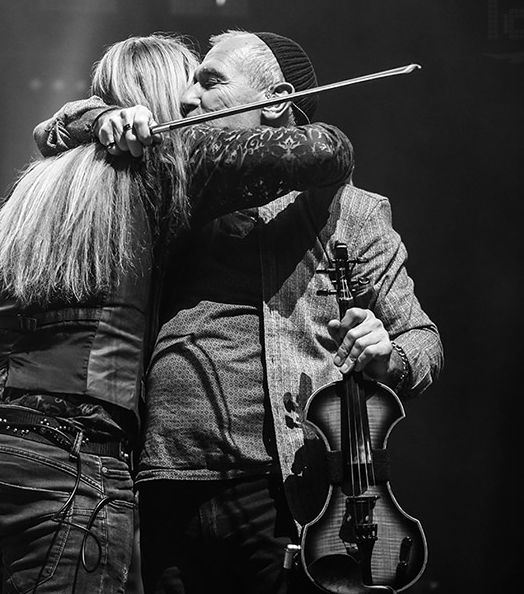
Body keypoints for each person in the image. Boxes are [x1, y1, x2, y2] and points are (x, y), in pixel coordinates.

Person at [0, 32, 355, 594]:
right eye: (188, 86)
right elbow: (328, 150)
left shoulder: (47, 175)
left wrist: (74, 121)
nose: (190, 104)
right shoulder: (171, 160)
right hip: (68, 457)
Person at [36, 29, 443, 593]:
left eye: (210, 81)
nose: (185, 99)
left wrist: (385, 354)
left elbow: (424, 342)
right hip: (162, 480)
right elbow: (58, 129)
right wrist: (100, 118)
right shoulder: (178, 185)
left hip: (286, 488)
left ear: (274, 101)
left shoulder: (352, 211)